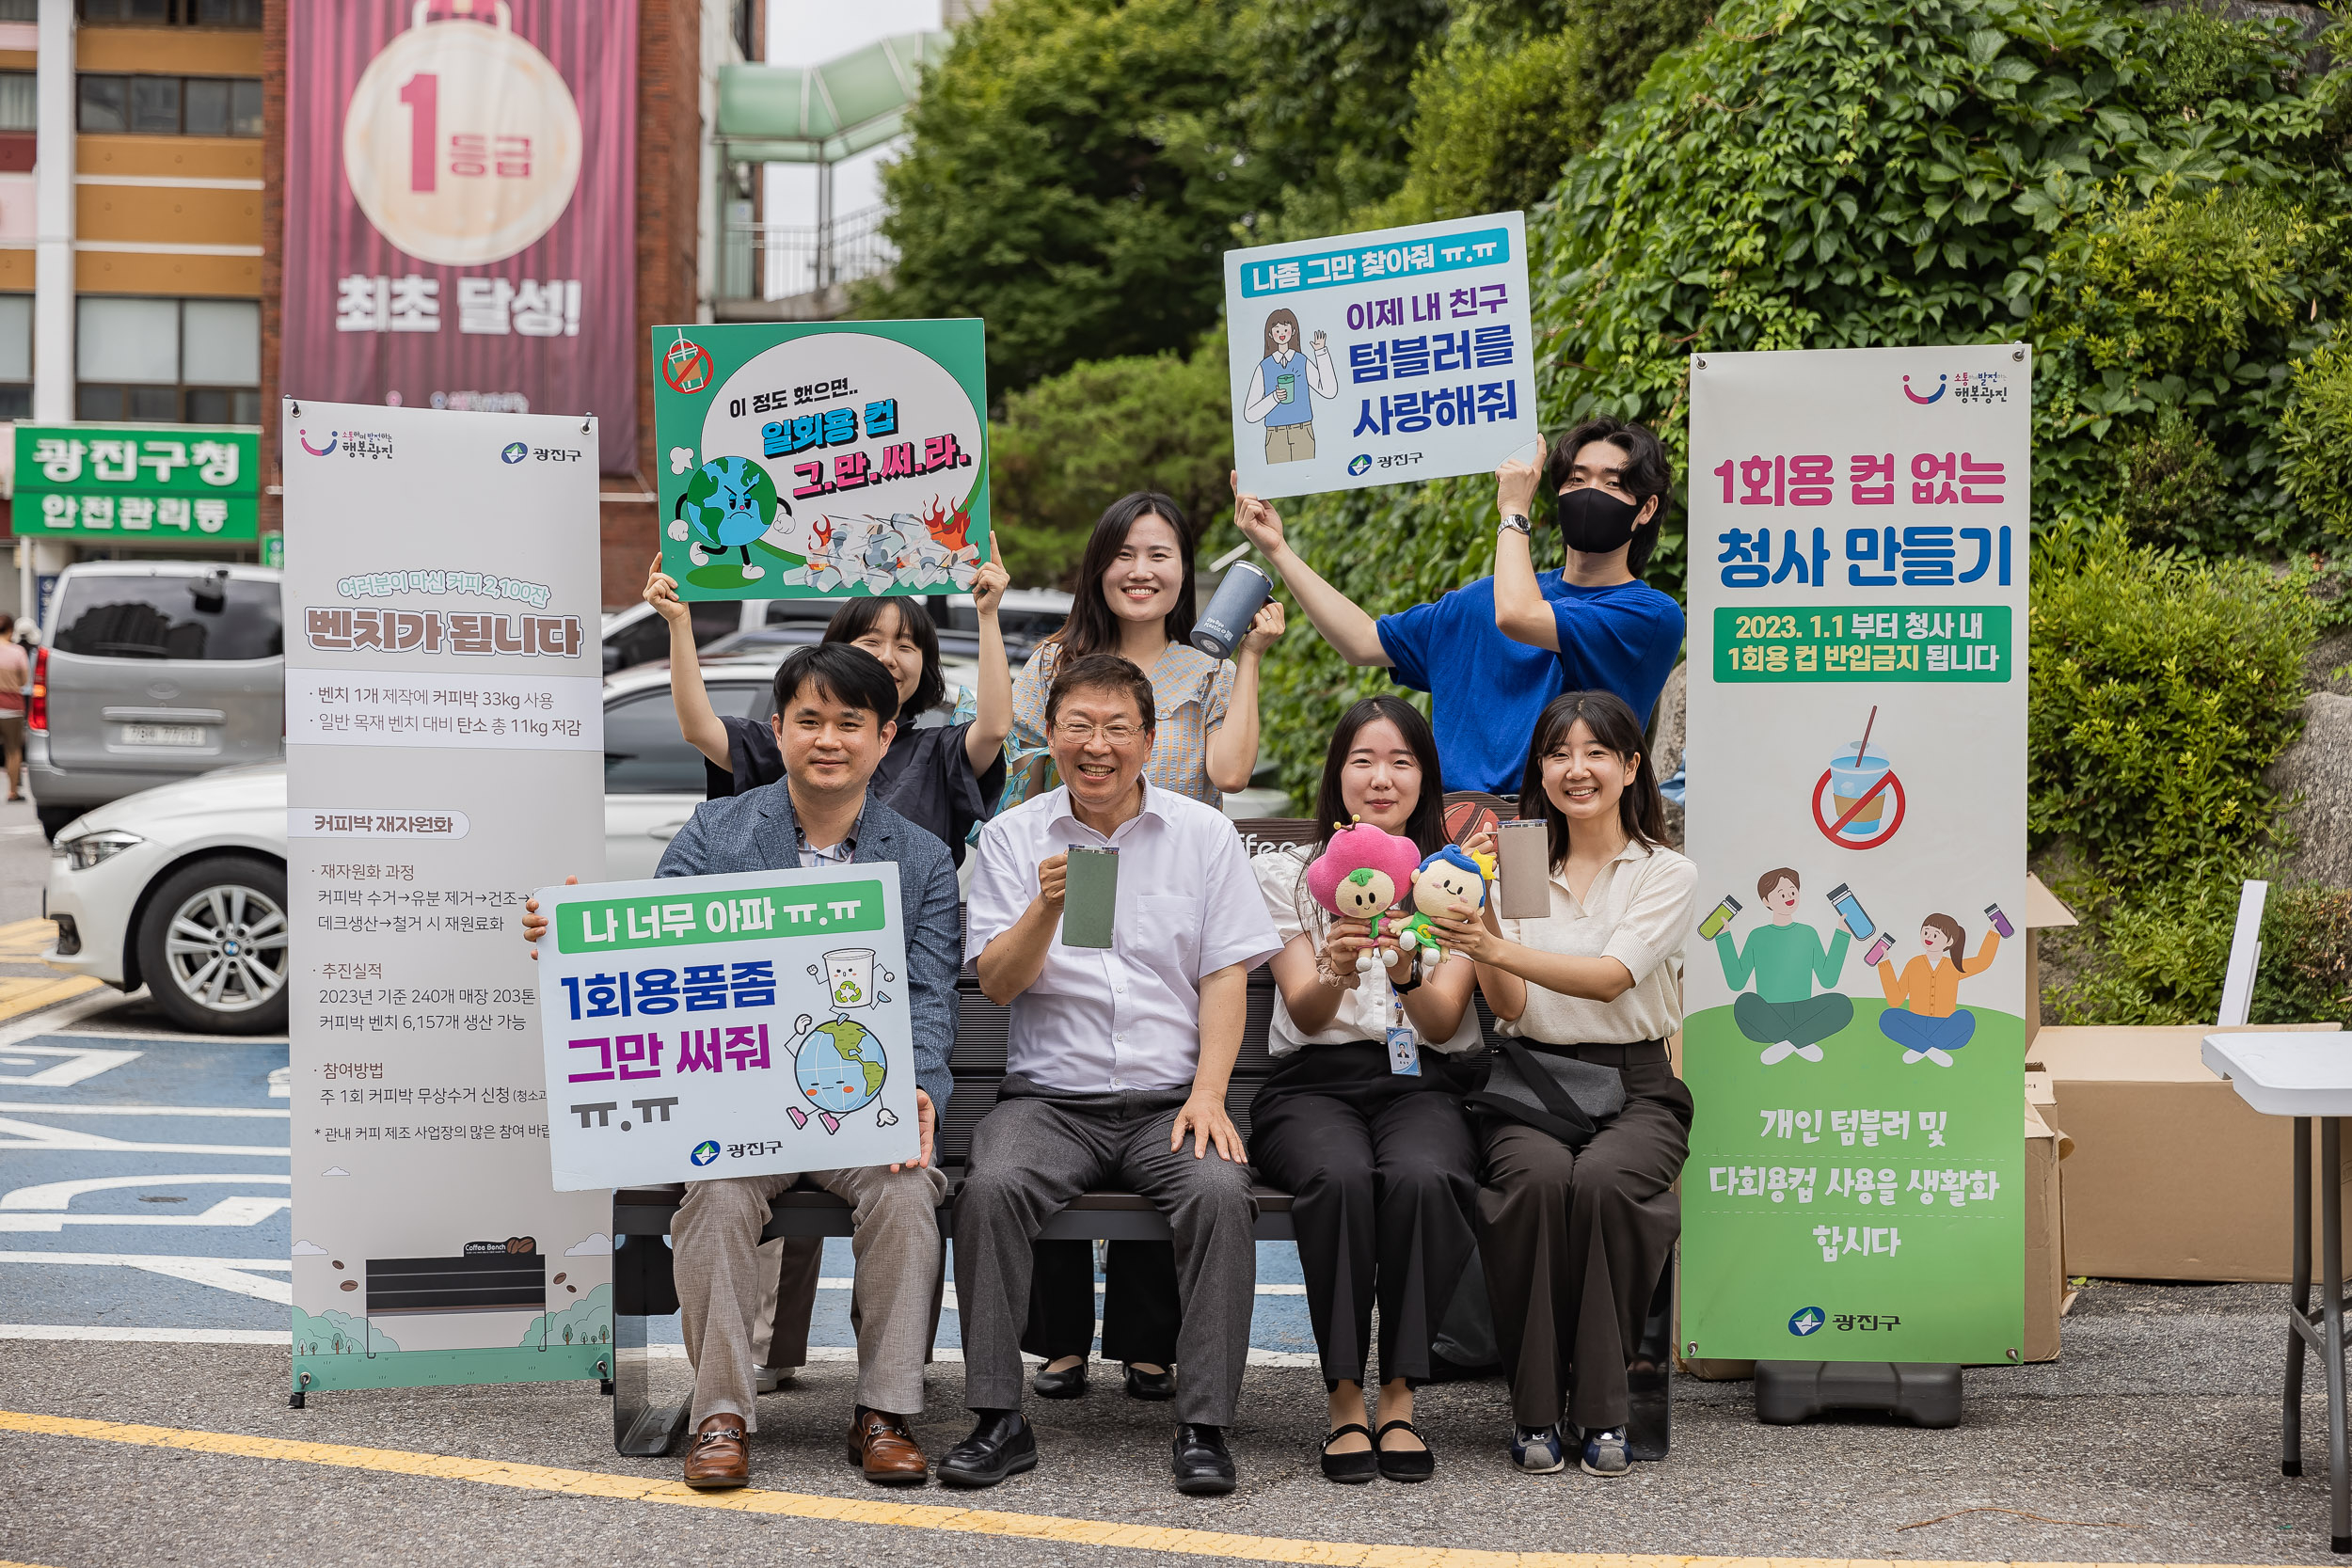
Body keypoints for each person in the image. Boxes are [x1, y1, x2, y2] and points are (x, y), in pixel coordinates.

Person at [521, 644, 962, 1492]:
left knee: (908, 1193)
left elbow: (929, 994)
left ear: (885, 737)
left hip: (851, 1101)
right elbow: (650, 945)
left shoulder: (921, 857)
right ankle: (719, 1413)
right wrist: (565, 935)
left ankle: (884, 1411)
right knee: (717, 1198)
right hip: (740, 1108)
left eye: (849, 724)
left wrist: (920, 1090)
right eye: (809, 720)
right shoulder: (717, 830)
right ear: (778, 729)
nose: (827, 739)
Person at [941, 652, 1282, 1496]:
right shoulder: (1017, 837)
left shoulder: (1201, 834)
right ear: (1050, 734)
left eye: (1116, 727)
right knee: (991, 1186)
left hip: (1169, 1099)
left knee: (1219, 1193)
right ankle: (997, 1418)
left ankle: (1203, 1425)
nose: (1098, 745)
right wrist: (1046, 908)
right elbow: (997, 981)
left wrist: (1210, 1092)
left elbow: (1226, 975)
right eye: (1079, 726)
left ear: (1149, 737)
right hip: (1050, 1101)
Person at [1009, 492, 1282, 1403]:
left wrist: (1249, 659)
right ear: (1097, 561)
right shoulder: (1054, 659)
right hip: (1073, 872)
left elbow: (1232, 772)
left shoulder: (1201, 663)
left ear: (1183, 568)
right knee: (1065, 1064)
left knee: (1158, 1088)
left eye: (1160, 553)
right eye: (1124, 550)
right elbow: (1016, 763)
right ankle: (1058, 1339)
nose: (1141, 568)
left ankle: (1147, 1340)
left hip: (1169, 875)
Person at [1422, 690, 1695, 1480]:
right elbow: (1508, 1007)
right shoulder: (1513, 861)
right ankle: (1535, 1407)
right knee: (1537, 1183)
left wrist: (1495, 949)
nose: (1577, 769)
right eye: (1559, 753)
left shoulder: (1664, 871)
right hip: (1531, 1079)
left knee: (1608, 1182)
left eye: (1596, 752)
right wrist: (1490, 940)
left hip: (1638, 1081)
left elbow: (1613, 979)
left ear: (1631, 766)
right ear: (1539, 769)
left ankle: (1605, 1411)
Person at [1248, 696, 1484, 1484]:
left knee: (1426, 1175)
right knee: (1338, 1176)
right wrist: (1338, 962)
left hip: (1421, 1081)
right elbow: (1307, 1013)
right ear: (1336, 772)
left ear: (1426, 777)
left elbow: (1446, 1023)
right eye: (1363, 760)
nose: (1381, 778)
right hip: (1311, 1086)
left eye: (1401, 762)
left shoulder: (1454, 880)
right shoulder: (1286, 874)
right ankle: (1345, 1396)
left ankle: (1401, 1394)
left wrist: (1410, 966)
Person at [1229, 416, 1685, 796]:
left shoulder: (1648, 615)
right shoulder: (1479, 601)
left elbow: (1518, 615)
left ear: (1645, 510)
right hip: (1454, 838)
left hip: (1563, 830)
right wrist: (1278, 549)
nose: (1590, 494)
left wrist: (1512, 514)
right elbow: (1363, 642)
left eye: (1612, 484)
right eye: (1576, 480)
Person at [646, 556, 1013, 865]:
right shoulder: (799, 740)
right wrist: (679, 623)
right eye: (871, 641)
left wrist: (989, 614)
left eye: (906, 646)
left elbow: (994, 728)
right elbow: (699, 728)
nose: (887, 657)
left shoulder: (940, 752)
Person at [1713, 868, 1853, 1065]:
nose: (1789, 897)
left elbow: (1828, 979)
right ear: (1766, 901)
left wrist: (1842, 934)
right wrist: (1724, 937)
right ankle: (1801, 1041)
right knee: (1744, 1003)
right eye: (1781, 893)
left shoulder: (1808, 933)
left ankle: (1786, 1044)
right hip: (1769, 1014)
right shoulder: (1757, 936)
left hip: (1804, 1011)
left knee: (1842, 1005)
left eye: (1793, 891)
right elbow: (1737, 982)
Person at [1876, 913, 1998, 1066]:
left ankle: (1919, 1046)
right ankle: (1930, 1049)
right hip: (1916, 1023)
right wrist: (1884, 963)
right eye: (1926, 932)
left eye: (1936, 934)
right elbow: (1895, 1000)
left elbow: (1982, 962)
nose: (1929, 937)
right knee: (1888, 1017)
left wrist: (1993, 932)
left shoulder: (1954, 966)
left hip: (1943, 1026)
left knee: (1966, 1019)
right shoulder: (1914, 964)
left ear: (1950, 941)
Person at [1241, 307, 1339, 465]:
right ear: (1270, 334)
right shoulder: (1264, 367)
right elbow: (1250, 414)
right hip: (1275, 434)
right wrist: (1274, 398)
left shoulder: (1301, 360)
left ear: (1293, 331)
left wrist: (1321, 352)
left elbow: (1329, 391)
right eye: (1276, 329)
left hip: (1303, 430)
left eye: (1285, 328)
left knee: (1309, 479)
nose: (1281, 333)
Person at [0, 613, 25, 802]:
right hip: (11, 708)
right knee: (13, 750)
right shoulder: (17, 652)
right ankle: (12, 791)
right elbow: (24, 680)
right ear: (11, 630)